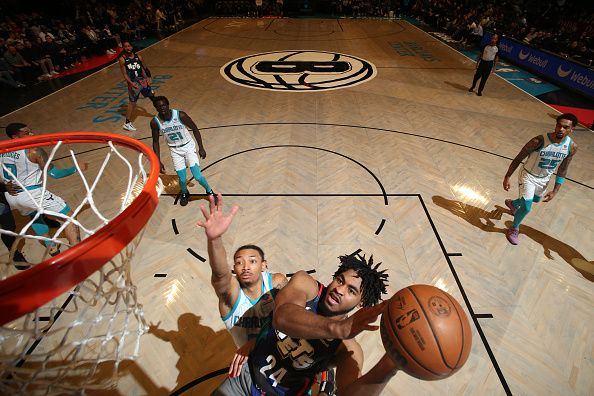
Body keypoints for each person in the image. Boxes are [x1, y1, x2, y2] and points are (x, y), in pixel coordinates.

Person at [213, 250, 401, 396]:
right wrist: (337, 328)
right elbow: (282, 317)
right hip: (245, 377)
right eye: (339, 280)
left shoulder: (347, 347)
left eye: (351, 290)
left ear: (361, 302)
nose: (340, 290)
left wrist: (389, 364)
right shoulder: (307, 285)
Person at [197, 193, 288, 346]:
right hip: (250, 360)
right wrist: (215, 239)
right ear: (234, 269)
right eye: (239, 263)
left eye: (252, 261)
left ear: (264, 265)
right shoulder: (231, 295)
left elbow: (296, 309)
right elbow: (220, 275)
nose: (246, 267)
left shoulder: (277, 282)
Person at [1, 123, 87, 255]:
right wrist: (76, 167)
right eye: (26, 133)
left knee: (34, 215)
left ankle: (51, 248)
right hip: (31, 193)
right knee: (68, 216)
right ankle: (78, 253)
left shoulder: (3, 151)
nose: (31, 135)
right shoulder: (34, 151)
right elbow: (55, 174)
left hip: (12, 196)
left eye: (31, 131)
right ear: (14, 137)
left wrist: (4, 185)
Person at [503, 113, 578, 245]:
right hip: (528, 175)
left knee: (535, 199)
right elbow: (519, 157)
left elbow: (563, 169)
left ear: (571, 129)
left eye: (565, 127)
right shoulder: (538, 140)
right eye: (559, 126)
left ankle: (513, 204)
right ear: (555, 125)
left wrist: (555, 190)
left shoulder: (571, 147)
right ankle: (514, 228)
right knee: (527, 207)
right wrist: (507, 176)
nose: (561, 129)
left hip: (544, 178)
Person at [150, 95, 215, 206]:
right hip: (175, 151)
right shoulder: (155, 122)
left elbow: (194, 128)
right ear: (155, 108)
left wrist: (201, 147)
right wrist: (158, 160)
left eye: (164, 105)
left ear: (168, 105)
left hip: (188, 147)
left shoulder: (180, 115)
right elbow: (155, 142)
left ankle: (210, 192)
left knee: (198, 177)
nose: (162, 108)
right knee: (182, 180)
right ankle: (185, 193)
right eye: (159, 106)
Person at [119, 41, 154, 132]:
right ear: (123, 48)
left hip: (142, 80)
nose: (128, 48)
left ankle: (161, 113)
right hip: (133, 83)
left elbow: (143, 68)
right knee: (132, 103)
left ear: (132, 47)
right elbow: (125, 74)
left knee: (152, 95)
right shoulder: (122, 59)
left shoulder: (139, 57)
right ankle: (127, 123)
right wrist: (131, 83)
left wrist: (147, 78)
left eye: (129, 46)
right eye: (125, 46)